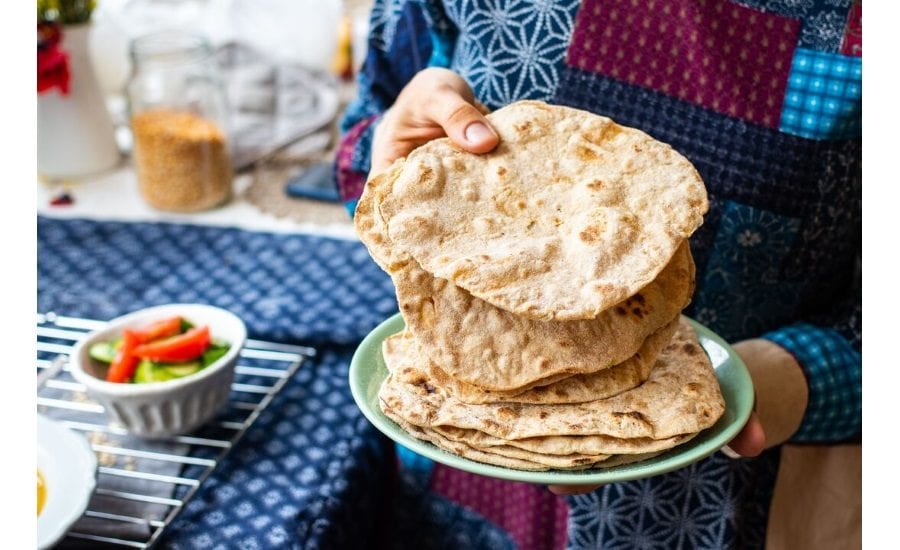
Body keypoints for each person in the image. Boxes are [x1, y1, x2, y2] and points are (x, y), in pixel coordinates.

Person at [336, 1, 861, 547]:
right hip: (453, 444)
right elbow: (357, 143)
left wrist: (794, 375)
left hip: (725, 495)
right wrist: (392, 167)